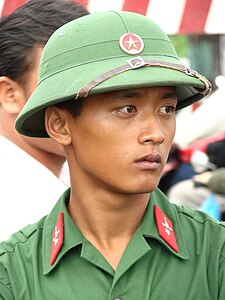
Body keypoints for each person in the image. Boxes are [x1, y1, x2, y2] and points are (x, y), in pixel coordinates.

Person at [1, 11, 224, 299]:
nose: (155, 133)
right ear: (59, 124)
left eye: (166, 109)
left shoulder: (215, 253)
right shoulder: (13, 273)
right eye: (127, 109)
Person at [0, 0, 89, 241]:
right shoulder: (17, 207)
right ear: (9, 94)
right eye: (63, 83)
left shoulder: (72, 178)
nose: (87, 98)